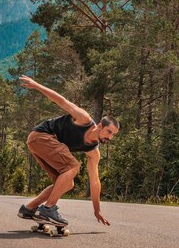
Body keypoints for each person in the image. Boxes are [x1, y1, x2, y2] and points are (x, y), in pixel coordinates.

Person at [17, 75, 119, 226]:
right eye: (109, 132)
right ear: (99, 126)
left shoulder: (93, 151)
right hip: (41, 136)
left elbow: (95, 182)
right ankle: (48, 209)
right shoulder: (84, 119)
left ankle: (29, 208)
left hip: (40, 145)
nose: (110, 137)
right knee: (73, 166)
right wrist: (37, 85)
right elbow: (61, 101)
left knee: (67, 183)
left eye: (113, 135)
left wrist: (97, 210)